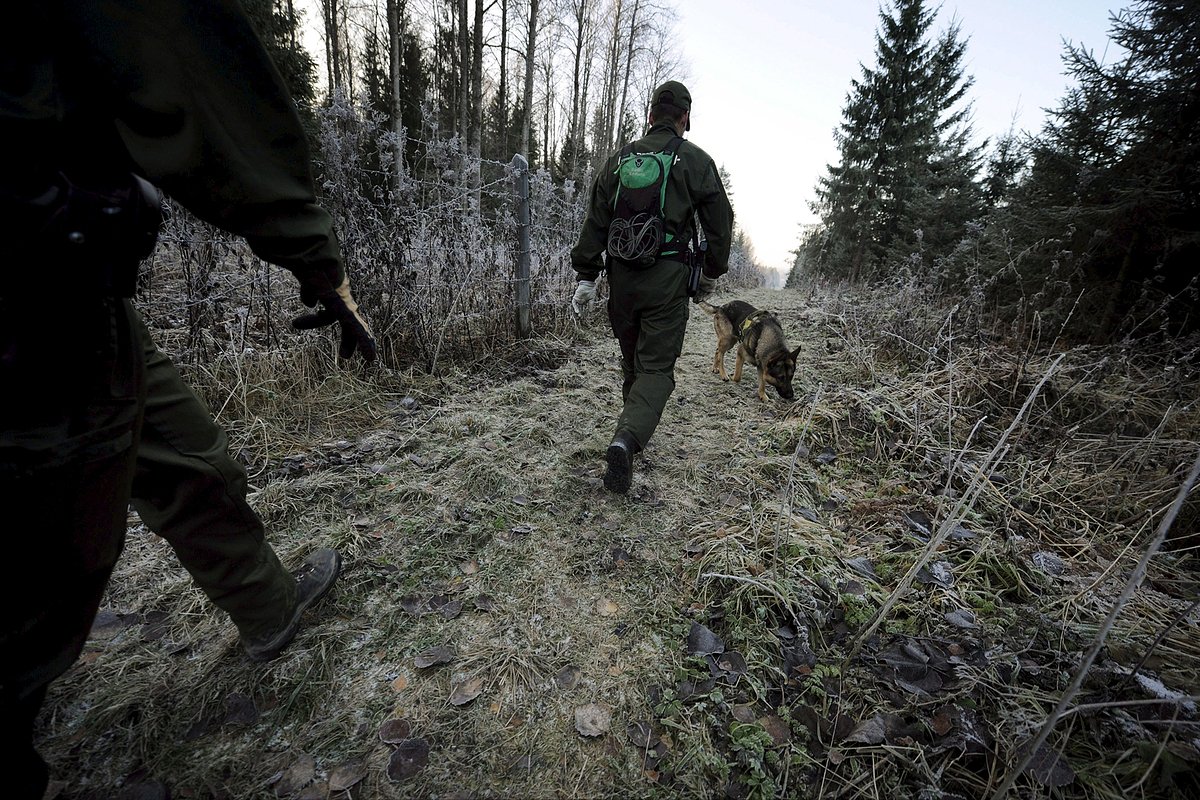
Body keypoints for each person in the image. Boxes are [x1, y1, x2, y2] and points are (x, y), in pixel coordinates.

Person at [0, 3, 377, 796]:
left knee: (182, 447)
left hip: (73, 288)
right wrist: (313, 252)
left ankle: (269, 609)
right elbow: (183, 66)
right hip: (29, 297)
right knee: (28, 597)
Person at [569, 80, 734, 493]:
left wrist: (586, 276)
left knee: (633, 362)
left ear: (649, 116)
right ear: (684, 119)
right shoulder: (695, 161)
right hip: (668, 280)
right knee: (656, 368)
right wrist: (711, 270)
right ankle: (626, 439)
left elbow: (596, 222)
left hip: (621, 282)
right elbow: (720, 223)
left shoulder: (619, 160)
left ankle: (629, 430)